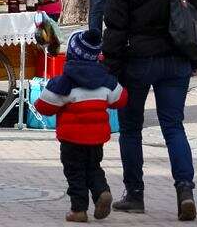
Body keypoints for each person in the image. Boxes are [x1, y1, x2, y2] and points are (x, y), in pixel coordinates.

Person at [102, 0, 197, 221]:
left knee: (131, 128)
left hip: (137, 60)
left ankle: (135, 194)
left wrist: (112, 67)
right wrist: (194, 56)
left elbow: (115, 26)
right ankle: (185, 189)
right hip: (175, 58)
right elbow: (196, 14)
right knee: (173, 125)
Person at [34, 30, 127, 223]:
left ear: (71, 54)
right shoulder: (106, 80)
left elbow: (44, 106)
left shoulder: (64, 82)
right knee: (94, 167)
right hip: (96, 138)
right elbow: (121, 99)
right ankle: (102, 191)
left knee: (74, 171)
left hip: (71, 139)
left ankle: (79, 210)